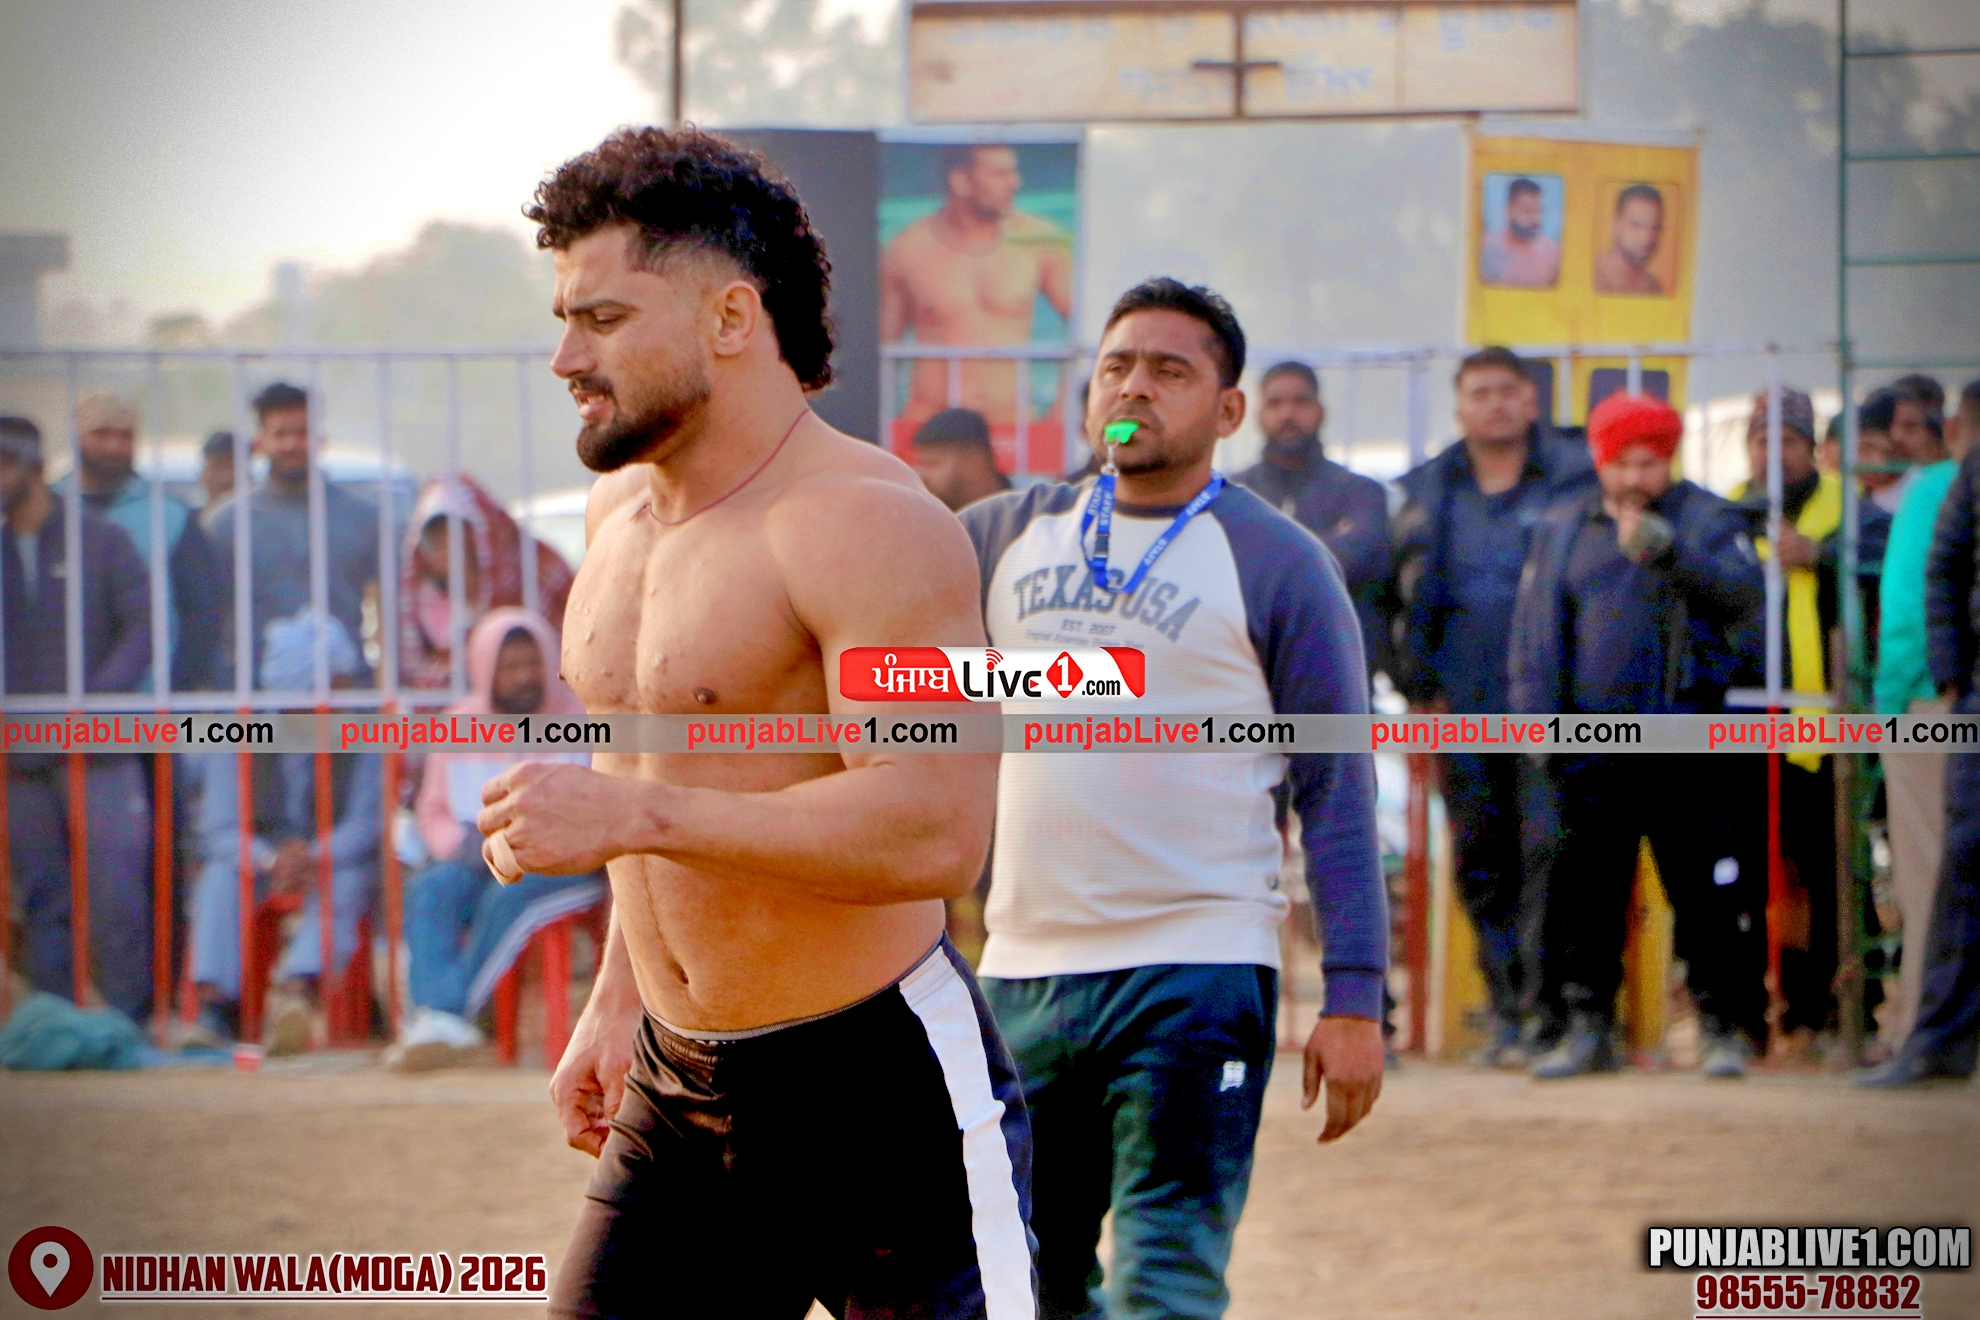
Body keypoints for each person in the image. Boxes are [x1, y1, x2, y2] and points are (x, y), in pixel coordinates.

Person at [484, 127, 1027, 1318]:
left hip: (882, 1093)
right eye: (566, 319)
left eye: (606, 319)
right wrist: (619, 997)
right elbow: (650, 772)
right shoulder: (616, 514)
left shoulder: (869, 523)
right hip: (676, 1087)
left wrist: (633, 817)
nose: (568, 357)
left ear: (731, 318)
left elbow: (935, 829)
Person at [961, 278, 1385, 1319]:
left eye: (1169, 371)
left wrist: (1355, 995)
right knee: (1028, 1278)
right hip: (1022, 973)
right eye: (1116, 366)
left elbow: (1336, 788)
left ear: (1228, 410)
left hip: (1196, 967)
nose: (1134, 387)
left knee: (1167, 1279)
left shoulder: (1280, 562)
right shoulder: (999, 536)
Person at [1509, 393, 1766, 1078]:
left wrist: (1670, 553)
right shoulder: (1566, 525)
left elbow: (1744, 598)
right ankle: (1589, 1028)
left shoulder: (1706, 519)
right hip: (1590, 750)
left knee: (1705, 897)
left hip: (1686, 746)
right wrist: (1538, 724)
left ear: (1669, 459)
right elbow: (1534, 635)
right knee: (1586, 898)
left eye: (1647, 462)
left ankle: (1720, 1029)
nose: (1632, 478)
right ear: (1599, 462)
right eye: (1619, 463)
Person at [1390, 346, 1596, 1064]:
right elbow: (1403, 597)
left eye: (1508, 390)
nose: (1496, 404)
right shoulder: (1429, 489)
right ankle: (1508, 1011)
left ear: (1532, 401)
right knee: (1481, 858)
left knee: (1552, 852)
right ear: (1459, 408)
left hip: (1556, 703)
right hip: (1463, 706)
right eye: (1479, 392)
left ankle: (1555, 1014)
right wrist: (1419, 689)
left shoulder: (1575, 478)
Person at [1726, 389, 1890, 1043]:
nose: (1774, 454)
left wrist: (1818, 556)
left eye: (1788, 441)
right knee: (1750, 873)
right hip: (1742, 722)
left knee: (1831, 870)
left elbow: (1883, 568)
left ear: (1812, 447)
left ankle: (1843, 1007)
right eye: (1761, 441)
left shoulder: (1848, 510)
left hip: (1826, 724)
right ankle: (1756, 1013)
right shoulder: (1725, 512)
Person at [388, 608, 606, 1069]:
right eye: (509, 666)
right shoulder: (457, 722)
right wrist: (459, 847)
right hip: (479, 857)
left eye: (531, 662)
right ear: (485, 668)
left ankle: (449, 1018)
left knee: (508, 899)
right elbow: (432, 811)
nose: (523, 675)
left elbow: (602, 808)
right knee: (431, 889)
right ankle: (441, 1017)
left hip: (563, 865)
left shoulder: (581, 718)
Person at [1, 415, 156, 1024]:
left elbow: (142, 628)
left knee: (116, 889)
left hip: (100, 746)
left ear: (35, 469)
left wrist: (91, 703)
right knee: (43, 893)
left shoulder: (101, 540)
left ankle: (126, 1021)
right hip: (21, 752)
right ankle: (55, 1022)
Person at [184, 612, 383, 1052]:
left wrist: (314, 855)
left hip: (329, 860)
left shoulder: (364, 734)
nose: (346, 701)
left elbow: (365, 824)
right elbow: (219, 830)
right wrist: (270, 859)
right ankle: (215, 1007)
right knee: (218, 877)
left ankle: (298, 994)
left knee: (348, 881)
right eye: (336, 688)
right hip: (259, 860)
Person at [1859, 424, 1980, 1085]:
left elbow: (1909, 605)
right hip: (1952, 693)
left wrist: (1891, 706)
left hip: (1932, 702)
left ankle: (1920, 1029)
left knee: (1936, 871)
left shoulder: (1935, 489)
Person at [881, 143, 1075, 451]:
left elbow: (1087, 323)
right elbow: (881, 352)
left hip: (1013, 428)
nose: (1015, 182)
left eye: (1013, 171)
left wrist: (1060, 415)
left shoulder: (1040, 240)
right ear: (960, 181)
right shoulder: (906, 250)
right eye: (999, 173)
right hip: (930, 428)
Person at [205, 382, 380, 689]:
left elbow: (390, 609)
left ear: (320, 440)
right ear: (260, 441)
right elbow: (207, 616)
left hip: (344, 695)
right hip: (252, 696)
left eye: (302, 433)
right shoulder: (225, 524)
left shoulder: (364, 518)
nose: (291, 444)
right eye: (280, 434)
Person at [1232, 360, 1392, 677]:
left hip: (1340, 674)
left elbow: (1352, 562)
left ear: (1320, 412)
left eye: (1300, 401)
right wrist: (1324, 543)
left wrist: (1258, 555)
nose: (1287, 414)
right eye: (1275, 403)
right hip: (1250, 677)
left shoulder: (1361, 492)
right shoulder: (1232, 495)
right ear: (1259, 414)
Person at [54, 392, 221, 692]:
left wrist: (179, 684)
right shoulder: (47, 509)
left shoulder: (170, 515)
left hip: (150, 698)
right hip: (54, 696)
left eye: (125, 436)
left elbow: (200, 610)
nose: (113, 446)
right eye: (101, 433)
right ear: (76, 436)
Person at [398, 471, 576, 691]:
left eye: (453, 536)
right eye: (435, 543)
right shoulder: (428, 601)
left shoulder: (534, 576)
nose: (446, 552)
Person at [909, 406, 1012, 512]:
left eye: (932, 463)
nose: (921, 475)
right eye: (919, 464)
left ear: (974, 463)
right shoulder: (927, 516)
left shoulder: (1017, 517)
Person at [1479, 177, 1560, 288]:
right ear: (1509, 209)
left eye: (1539, 211)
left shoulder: (1553, 255)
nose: (1535, 219)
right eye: (1527, 211)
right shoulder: (1485, 248)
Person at [1592, 184, 1666, 296]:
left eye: (1655, 227)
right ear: (1615, 223)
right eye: (1636, 225)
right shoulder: (1590, 275)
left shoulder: (1653, 287)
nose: (1647, 237)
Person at [198, 431, 235, 528]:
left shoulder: (260, 524)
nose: (227, 477)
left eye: (234, 466)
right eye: (217, 466)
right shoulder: (185, 525)